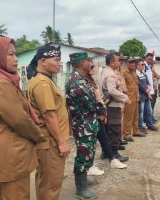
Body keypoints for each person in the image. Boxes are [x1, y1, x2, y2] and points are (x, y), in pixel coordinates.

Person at [0, 37, 45, 200]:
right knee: (17, 195)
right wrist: (38, 136)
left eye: (15, 54)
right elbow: (20, 120)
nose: (16, 59)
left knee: (6, 195)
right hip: (11, 153)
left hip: (4, 151)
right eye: (10, 54)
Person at [27, 45, 71, 200]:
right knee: (51, 184)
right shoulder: (42, 83)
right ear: (43, 61)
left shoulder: (44, 80)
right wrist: (61, 142)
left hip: (49, 142)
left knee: (45, 181)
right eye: (57, 59)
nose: (60, 63)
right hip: (51, 143)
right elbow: (49, 115)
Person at [65, 52, 105, 199]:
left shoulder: (80, 79)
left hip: (87, 124)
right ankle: (80, 189)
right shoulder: (76, 82)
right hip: (83, 126)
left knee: (88, 152)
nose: (91, 63)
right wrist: (102, 109)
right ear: (82, 63)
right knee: (83, 154)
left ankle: (84, 180)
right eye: (89, 61)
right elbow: (92, 103)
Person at [85, 64, 128, 172]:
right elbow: (102, 95)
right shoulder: (84, 81)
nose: (93, 69)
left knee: (104, 136)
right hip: (95, 113)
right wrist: (124, 97)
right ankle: (110, 156)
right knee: (110, 131)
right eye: (91, 67)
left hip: (100, 110)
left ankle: (111, 158)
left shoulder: (92, 79)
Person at [100, 52, 131, 159]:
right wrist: (125, 97)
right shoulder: (111, 74)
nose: (119, 62)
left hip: (109, 105)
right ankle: (114, 153)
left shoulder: (106, 71)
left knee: (108, 128)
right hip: (112, 105)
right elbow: (112, 90)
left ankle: (106, 152)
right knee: (114, 128)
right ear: (112, 62)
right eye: (118, 60)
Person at [121, 56, 145, 142]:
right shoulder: (123, 73)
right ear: (126, 63)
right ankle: (126, 134)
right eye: (130, 62)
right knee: (128, 118)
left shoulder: (134, 72)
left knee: (136, 116)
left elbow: (136, 85)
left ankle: (136, 131)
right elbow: (123, 87)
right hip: (129, 98)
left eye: (133, 62)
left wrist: (138, 94)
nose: (132, 64)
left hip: (135, 97)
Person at [136, 59, 158, 132]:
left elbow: (147, 81)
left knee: (149, 110)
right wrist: (147, 90)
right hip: (141, 96)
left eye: (143, 65)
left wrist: (148, 88)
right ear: (138, 65)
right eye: (142, 65)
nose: (143, 66)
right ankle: (140, 126)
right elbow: (139, 85)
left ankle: (150, 124)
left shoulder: (143, 73)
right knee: (141, 112)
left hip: (146, 95)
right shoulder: (136, 74)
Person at [143, 53, 159, 129]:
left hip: (151, 90)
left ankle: (149, 124)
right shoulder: (144, 67)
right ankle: (147, 124)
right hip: (146, 91)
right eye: (149, 59)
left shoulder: (149, 67)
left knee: (149, 109)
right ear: (146, 58)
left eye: (151, 59)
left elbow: (152, 78)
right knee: (145, 110)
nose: (150, 61)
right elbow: (143, 80)